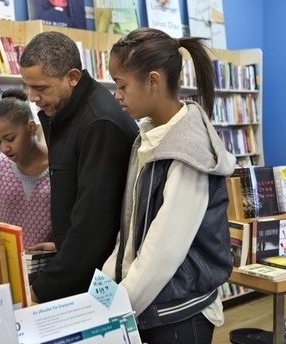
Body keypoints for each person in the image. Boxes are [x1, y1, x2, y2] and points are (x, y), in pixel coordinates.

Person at [101, 28, 236, 343]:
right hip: (152, 306)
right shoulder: (147, 138)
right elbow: (131, 231)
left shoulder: (188, 150)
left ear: (152, 80)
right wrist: (104, 292)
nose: (116, 95)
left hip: (179, 316)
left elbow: (163, 251)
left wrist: (115, 309)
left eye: (122, 85)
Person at [19, 31, 138, 304]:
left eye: (41, 88)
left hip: (97, 281)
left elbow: (93, 227)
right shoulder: (64, 112)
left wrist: (42, 290)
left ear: (72, 77)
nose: (32, 97)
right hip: (80, 269)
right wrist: (62, 242)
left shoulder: (99, 124)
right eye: (28, 87)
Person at [0, 88, 53, 249]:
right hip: (10, 262)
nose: (4, 148)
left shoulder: (58, 165)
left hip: (52, 262)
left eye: (10, 139)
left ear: (31, 128)